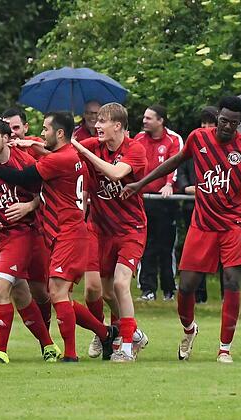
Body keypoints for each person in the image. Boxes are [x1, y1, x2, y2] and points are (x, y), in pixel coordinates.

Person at [122, 96, 241, 364]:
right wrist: (140, 184)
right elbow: (173, 162)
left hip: (234, 224)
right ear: (217, 118)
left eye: (233, 123)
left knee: (232, 281)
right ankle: (189, 329)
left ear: (239, 123)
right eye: (223, 121)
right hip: (202, 224)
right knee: (186, 286)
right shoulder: (198, 138)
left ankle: (224, 348)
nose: (227, 127)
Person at [0, 111, 117, 362]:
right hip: (60, 233)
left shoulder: (58, 160)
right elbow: (51, 157)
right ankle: (104, 333)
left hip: (69, 233)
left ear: (59, 133)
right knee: (59, 297)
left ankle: (69, 353)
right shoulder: (69, 155)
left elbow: (23, 177)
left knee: (54, 293)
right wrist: (34, 146)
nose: (40, 133)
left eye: (45, 129)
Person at [0, 117, 60, 364]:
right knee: (20, 293)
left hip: (22, 234)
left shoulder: (24, 161)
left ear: (6, 138)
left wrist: (28, 205)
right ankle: (49, 346)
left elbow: (45, 194)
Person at [71, 103, 148, 362]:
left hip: (130, 229)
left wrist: (82, 149)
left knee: (120, 283)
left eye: (103, 121)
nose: (97, 125)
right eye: (97, 121)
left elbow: (115, 173)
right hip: (101, 230)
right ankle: (131, 330)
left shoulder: (135, 149)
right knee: (104, 292)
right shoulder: (95, 144)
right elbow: (59, 149)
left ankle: (126, 346)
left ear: (118, 125)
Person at [133, 105, 182, 302]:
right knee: (146, 246)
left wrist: (169, 184)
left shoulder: (173, 139)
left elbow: (175, 162)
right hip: (143, 201)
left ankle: (169, 290)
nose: (144, 121)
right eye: (144, 117)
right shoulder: (138, 139)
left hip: (165, 202)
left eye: (148, 118)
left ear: (160, 121)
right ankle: (147, 290)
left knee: (166, 246)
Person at [175, 106, 219, 303]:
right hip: (192, 208)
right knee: (196, 256)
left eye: (211, 123)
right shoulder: (194, 145)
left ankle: (227, 298)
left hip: (218, 211)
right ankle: (199, 296)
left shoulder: (225, 149)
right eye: (204, 123)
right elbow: (181, 174)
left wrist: (208, 188)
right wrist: (192, 188)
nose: (206, 127)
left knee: (224, 258)